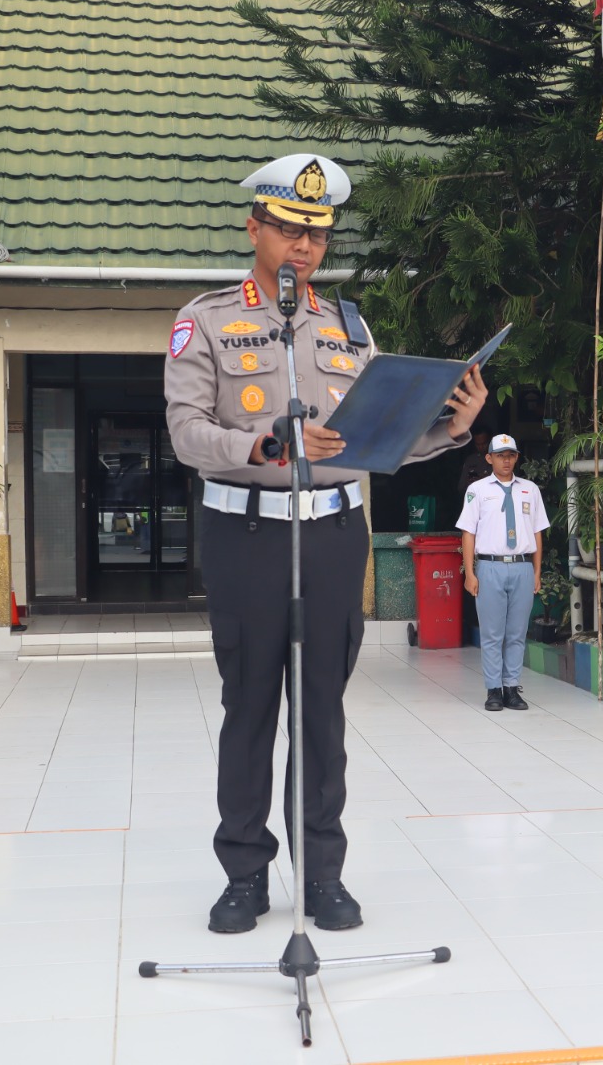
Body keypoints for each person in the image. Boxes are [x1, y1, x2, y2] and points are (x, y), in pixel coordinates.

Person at [165, 154, 485, 934]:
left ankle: (322, 874)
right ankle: (245, 872)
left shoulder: (351, 328)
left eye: (317, 232)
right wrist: (270, 445)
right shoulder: (205, 321)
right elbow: (186, 434)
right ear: (254, 229)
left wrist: (451, 429)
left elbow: (374, 441)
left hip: (336, 531)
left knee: (321, 713)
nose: (303, 245)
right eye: (287, 228)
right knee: (249, 710)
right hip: (246, 534)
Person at [457, 433, 549, 711]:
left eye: (510, 456)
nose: (506, 461)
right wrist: (471, 573)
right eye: (500, 456)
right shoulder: (478, 490)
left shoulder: (529, 489)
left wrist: (536, 571)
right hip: (490, 566)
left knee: (517, 632)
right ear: (489, 458)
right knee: (493, 633)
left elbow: (537, 531)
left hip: (521, 566)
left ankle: (512, 688)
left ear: (516, 458)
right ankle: (493, 689)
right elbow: (468, 533)